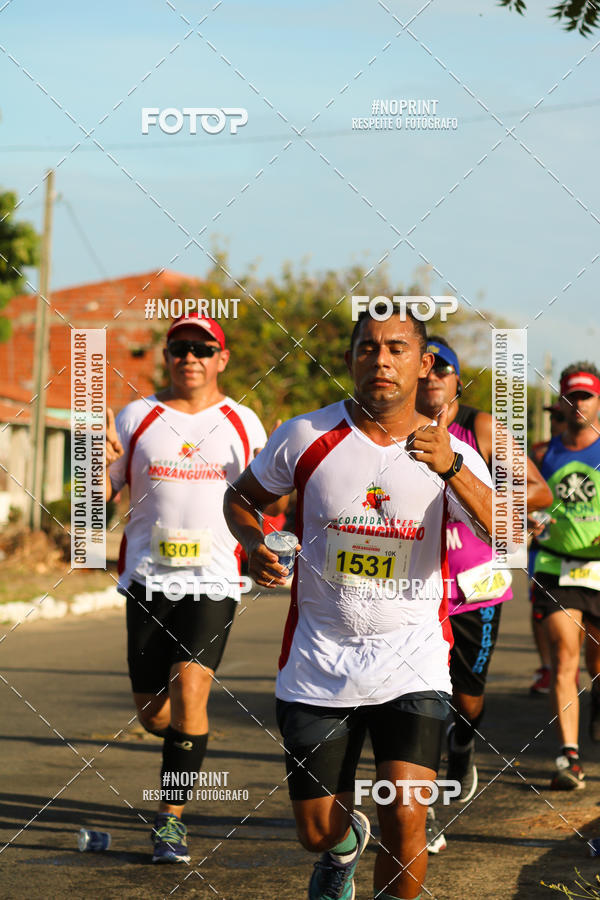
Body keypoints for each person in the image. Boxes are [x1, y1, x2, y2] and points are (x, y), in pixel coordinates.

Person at [224, 306, 496, 900]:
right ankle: (344, 848)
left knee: (407, 819)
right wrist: (256, 541)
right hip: (318, 660)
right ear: (349, 358)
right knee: (316, 832)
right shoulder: (305, 435)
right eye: (368, 347)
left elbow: (510, 533)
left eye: (398, 348)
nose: (382, 360)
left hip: (414, 660)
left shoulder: (449, 451)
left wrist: (452, 468)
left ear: (424, 364)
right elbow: (240, 500)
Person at [106, 312, 284, 863]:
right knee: (152, 713)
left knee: (191, 694)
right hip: (146, 577)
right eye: (180, 347)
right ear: (166, 355)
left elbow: (267, 496)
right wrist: (92, 459)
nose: (191, 358)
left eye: (203, 349)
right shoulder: (136, 415)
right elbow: (103, 488)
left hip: (213, 579)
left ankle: (170, 820)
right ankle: (184, 746)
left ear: (221, 359)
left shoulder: (243, 420)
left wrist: (264, 544)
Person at [416, 337, 552, 810]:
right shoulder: (395, 429)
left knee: (467, 698)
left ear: (456, 379)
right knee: (421, 696)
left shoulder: (481, 428)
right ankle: (423, 802)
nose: (432, 378)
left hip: (476, 587)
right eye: (426, 369)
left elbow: (539, 492)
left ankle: (463, 744)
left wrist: (488, 503)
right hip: (419, 587)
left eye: (443, 370)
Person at [530, 362, 600, 789]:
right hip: (556, 567)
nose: (577, 405)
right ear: (560, 401)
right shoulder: (542, 454)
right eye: (570, 397)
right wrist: (527, 520)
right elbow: (518, 502)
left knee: (596, 664)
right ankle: (569, 757)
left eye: (585, 396)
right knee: (565, 659)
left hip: (599, 568)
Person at [529, 403, 569, 695]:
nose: (555, 422)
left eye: (560, 417)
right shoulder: (541, 451)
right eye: (552, 417)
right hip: (544, 544)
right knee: (540, 608)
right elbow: (527, 490)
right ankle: (547, 667)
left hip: (586, 548)